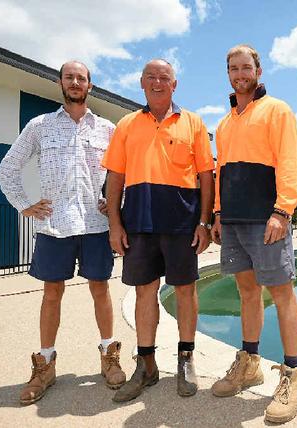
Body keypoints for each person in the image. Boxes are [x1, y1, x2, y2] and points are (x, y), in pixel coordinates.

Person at [0, 61, 125, 405]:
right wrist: (24, 204)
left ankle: (108, 356)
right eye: (69, 77)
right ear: (60, 83)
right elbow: (7, 168)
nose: (75, 82)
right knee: (52, 292)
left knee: (101, 289)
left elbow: (121, 175)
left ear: (90, 86)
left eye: (81, 78)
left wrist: (114, 204)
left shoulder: (107, 129)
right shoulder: (39, 126)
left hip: (95, 225)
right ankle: (46, 365)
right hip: (56, 225)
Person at [102, 59, 215, 402]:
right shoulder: (126, 124)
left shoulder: (193, 122)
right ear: (141, 83)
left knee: (184, 291)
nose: (157, 82)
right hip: (138, 224)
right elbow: (115, 177)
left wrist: (205, 222)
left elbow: (207, 176)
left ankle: (185, 360)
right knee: (144, 292)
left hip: (182, 224)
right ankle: (146, 365)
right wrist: (115, 224)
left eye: (164, 77)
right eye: (150, 77)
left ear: (174, 84)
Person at [210, 44, 297, 423]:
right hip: (232, 221)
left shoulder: (277, 110)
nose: (239, 73)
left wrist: (283, 210)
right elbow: (221, 173)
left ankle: (293, 375)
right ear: (228, 73)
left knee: (281, 293)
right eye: (233, 68)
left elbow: (290, 162)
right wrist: (217, 213)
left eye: (245, 67)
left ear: (258, 71)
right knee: (247, 292)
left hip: (267, 218)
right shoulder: (224, 123)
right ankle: (249, 363)